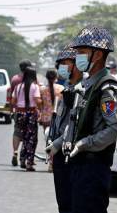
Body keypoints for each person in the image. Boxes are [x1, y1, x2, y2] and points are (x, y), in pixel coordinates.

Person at [68, 26, 117, 213]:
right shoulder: (86, 84)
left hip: (94, 166)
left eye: (82, 52)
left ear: (97, 55)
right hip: (80, 166)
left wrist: (86, 143)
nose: (77, 57)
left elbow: (115, 127)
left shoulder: (106, 87)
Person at [45, 45, 82, 213]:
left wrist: (58, 143)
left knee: (72, 203)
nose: (61, 67)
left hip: (71, 154)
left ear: (76, 65)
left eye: (64, 63)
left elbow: (75, 123)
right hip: (59, 155)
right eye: (59, 64)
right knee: (63, 203)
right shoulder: (66, 89)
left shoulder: (82, 90)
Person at [11, 67, 42, 171]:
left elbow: (13, 100)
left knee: (23, 137)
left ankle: (22, 159)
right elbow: (37, 100)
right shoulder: (35, 87)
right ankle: (29, 162)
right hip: (30, 113)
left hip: (20, 113)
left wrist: (19, 107)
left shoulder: (18, 87)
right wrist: (40, 106)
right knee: (32, 139)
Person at [11, 60, 33, 167]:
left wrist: (11, 110)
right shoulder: (33, 80)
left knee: (17, 131)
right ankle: (24, 156)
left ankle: (15, 152)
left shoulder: (15, 79)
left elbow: (11, 97)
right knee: (28, 134)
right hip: (30, 111)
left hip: (18, 111)